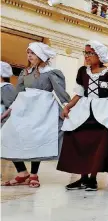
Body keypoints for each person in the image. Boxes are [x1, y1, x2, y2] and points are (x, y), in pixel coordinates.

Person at [57, 41, 108, 191]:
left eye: (90, 53)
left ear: (99, 55)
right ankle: (82, 178)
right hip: (84, 111)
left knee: (98, 145)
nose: (86, 56)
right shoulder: (83, 72)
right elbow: (79, 93)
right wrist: (68, 106)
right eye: (85, 53)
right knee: (79, 140)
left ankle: (92, 179)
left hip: (104, 112)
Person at [1, 43, 70, 188]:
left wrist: (67, 107)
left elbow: (60, 91)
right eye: (28, 53)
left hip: (43, 109)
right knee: (10, 135)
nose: (29, 56)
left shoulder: (51, 72)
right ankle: (22, 173)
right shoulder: (25, 72)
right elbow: (18, 94)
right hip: (24, 108)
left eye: (33, 53)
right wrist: (8, 111)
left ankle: (33, 174)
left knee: (37, 137)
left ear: (41, 55)